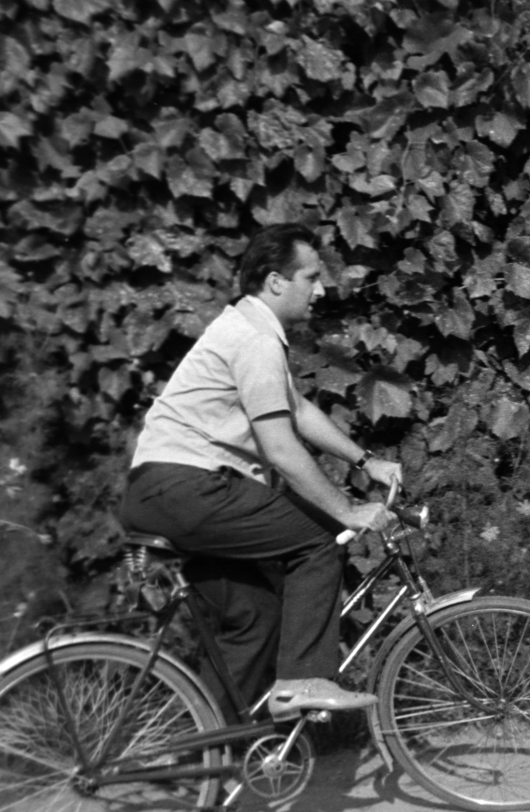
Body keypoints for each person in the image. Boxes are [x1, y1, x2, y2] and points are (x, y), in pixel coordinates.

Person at [119, 223, 401, 721]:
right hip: (190, 486)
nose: (321, 289)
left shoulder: (246, 330)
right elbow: (282, 448)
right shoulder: (254, 340)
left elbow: (296, 409)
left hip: (158, 491)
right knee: (319, 537)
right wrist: (347, 511)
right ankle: (302, 683)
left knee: (253, 618)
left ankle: (199, 763)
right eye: (311, 277)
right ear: (275, 281)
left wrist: (367, 461)